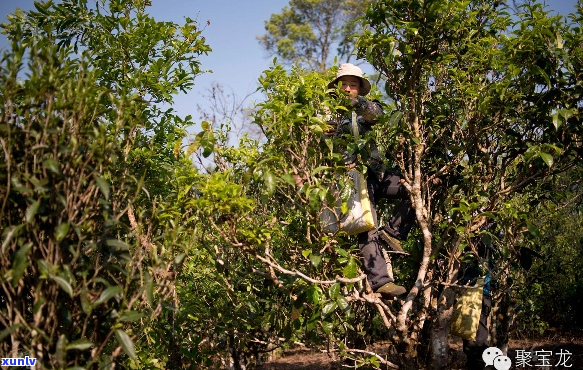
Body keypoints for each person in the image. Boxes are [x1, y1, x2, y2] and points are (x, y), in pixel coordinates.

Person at [326, 63, 416, 299]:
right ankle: (381, 282)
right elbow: (321, 131)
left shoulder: (366, 107)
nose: (347, 89)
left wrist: (359, 105)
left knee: (415, 189)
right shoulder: (327, 112)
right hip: (352, 178)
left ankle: (393, 232)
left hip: (377, 173)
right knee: (366, 226)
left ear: (359, 89)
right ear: (336, 88)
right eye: (343, 84)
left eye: (352, 85)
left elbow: (378, 114)